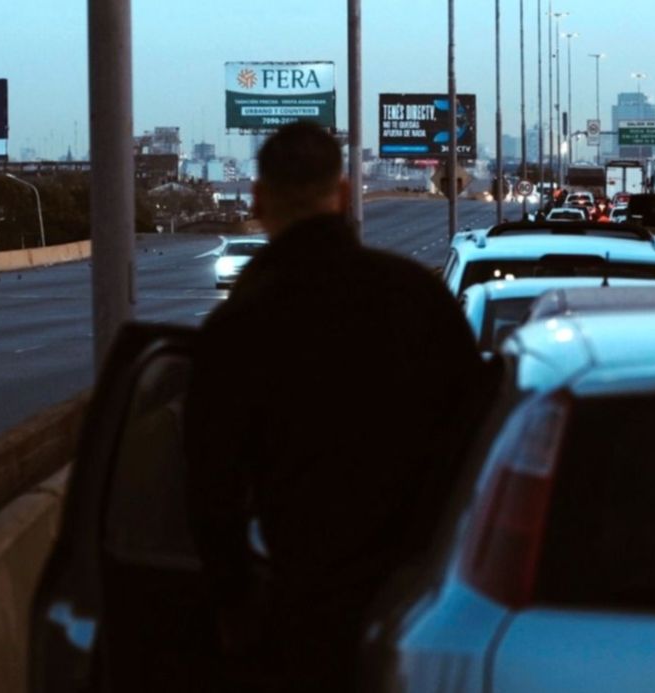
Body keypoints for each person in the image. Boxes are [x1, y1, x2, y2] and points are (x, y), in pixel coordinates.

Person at [184, 122, 489, 690]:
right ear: (344, 195)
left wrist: (233, 600)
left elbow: (210, 484)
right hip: (429, 599)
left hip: (303, 603)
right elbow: (479, 435)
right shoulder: (417, 299)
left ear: (258, 201)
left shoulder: (240, 326)